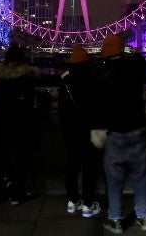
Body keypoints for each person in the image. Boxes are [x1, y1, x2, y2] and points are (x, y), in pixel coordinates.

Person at [96, 34, 146, 234]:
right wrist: (139, 58)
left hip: (114, 133)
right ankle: (144, 217)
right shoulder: (133, 67)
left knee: (114, 180)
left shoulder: (103, 72)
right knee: (141, 177)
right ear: (123, 49)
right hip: (137, 129)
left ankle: (115, 220)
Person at [0, 43, 41, 205]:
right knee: (21, 159)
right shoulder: (27, 78)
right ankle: (17, 194)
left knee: (2, 159)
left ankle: (1, 191)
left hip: (2, 124)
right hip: (22, 125)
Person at [58, 44, 101, 217]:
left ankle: (72, 200)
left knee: (71, 166)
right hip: (89, 130)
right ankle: (88, 204)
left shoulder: (65, 82)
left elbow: (61, 110)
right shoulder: (95, 79)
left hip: (70, 130)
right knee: (89, 167)